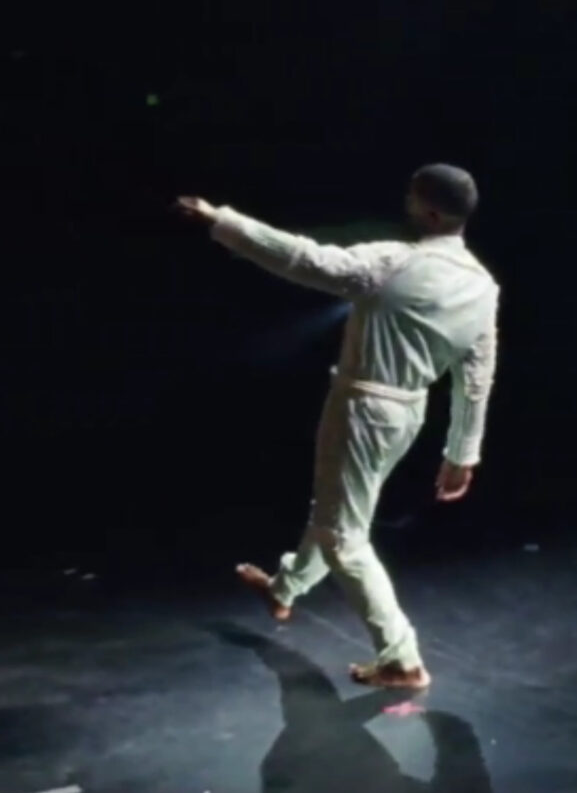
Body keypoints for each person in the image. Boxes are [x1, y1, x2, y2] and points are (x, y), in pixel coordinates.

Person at [177, 163, 500, 690]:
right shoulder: (482, 287)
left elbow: (304, 259)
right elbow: (476, 376)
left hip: (362, 407)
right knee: (337, 512)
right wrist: (462, 453)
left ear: (429, 211)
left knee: (342, 536)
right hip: (407, 413)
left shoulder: (396, 262)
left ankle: (402, 658)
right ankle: (284, 590)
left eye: (412, 197)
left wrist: (222, 221)